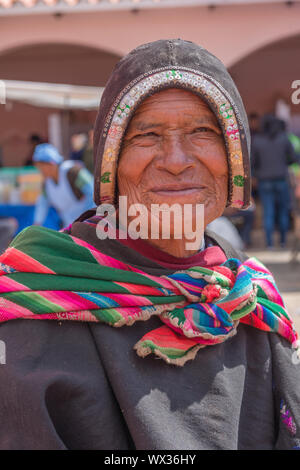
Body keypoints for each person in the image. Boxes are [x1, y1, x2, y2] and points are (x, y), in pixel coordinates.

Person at [0, 39, 299, 451]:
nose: (176, 160)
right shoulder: (35, 299)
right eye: (147, 135)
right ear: (110, 165)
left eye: (202, 132)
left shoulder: (249, 294)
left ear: (234, 158)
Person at [252, 114, 300, 249]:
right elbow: (293, 159)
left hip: (264, 181)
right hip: (281, 179)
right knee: (283, 211)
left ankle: (270, 244)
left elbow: (253, 163)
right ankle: (283, 242)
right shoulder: (284, 138)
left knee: (268, 211)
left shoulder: (257, 140)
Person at [33, 143, 94, 228]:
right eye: (38, 167)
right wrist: (37, 224)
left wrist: (87, 218)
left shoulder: (72, 172)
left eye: (42, 166)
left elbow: (92, 192)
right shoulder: (46, 183)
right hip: (69, 226)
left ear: (52, 163)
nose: (41, 170)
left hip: (88, 223)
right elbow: (42, 203)